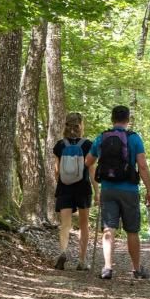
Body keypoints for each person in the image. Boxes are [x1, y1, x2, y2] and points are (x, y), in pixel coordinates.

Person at [85, 105, 150, 280]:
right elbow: (142, 166)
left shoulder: (101, 137)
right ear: (127, 120)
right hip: (129, 190)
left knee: (109, 228)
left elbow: (88, 162)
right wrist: (149, 190)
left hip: (108, 189)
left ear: (112, 119)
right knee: (132, 231)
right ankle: (137, 269)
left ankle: (107, 268)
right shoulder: (134, 138)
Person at [52, 112, 94, 270]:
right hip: (83, 188)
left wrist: (61, 182)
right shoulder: (87, 145)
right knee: (84, 225)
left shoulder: (60, 145)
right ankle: (82, 261)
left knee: (65, 224)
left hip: (64, 187)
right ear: (80, 125)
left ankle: (62, 252)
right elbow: (92, 170)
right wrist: (97, 191)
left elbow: (56, 171)